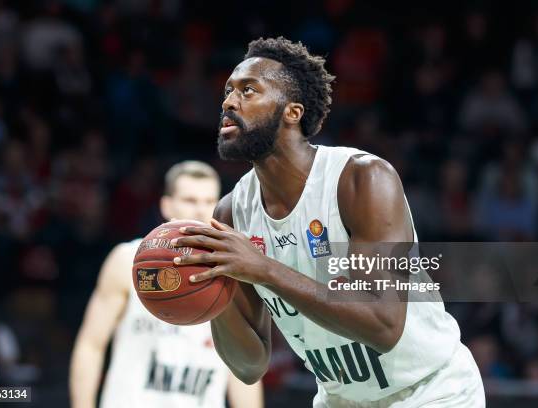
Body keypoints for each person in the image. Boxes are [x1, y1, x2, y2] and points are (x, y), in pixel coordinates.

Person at [171, 37, 486, 407]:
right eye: (227, 91)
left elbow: (384, 326)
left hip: (431, 391)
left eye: (248, 90)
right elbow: (249, 366)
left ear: (292, 112)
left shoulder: (362, 180)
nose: (228, 101)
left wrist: (264, 269)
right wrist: (213, 293)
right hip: (341, 399)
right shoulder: (231, 214)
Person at [69, 161, 263, 408]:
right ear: (167, 205)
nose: (200, 210)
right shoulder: (128, 259)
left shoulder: (234, 271)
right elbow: (91, 345)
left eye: (208, 201)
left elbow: (243, 368)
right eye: (190, 200)